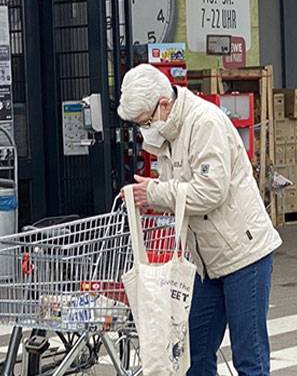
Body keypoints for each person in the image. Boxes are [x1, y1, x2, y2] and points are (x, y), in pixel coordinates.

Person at [118, 64, 281, 376]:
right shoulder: (168, 132)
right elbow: (177, 191)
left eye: (145, 122)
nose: (144, 130)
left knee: (249, 358)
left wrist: (154, 194)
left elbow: (210, 192)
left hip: (243, 253)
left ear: (163, 104)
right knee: (191, 355)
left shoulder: (204, 122)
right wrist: (152, 195)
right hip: (206, 260)